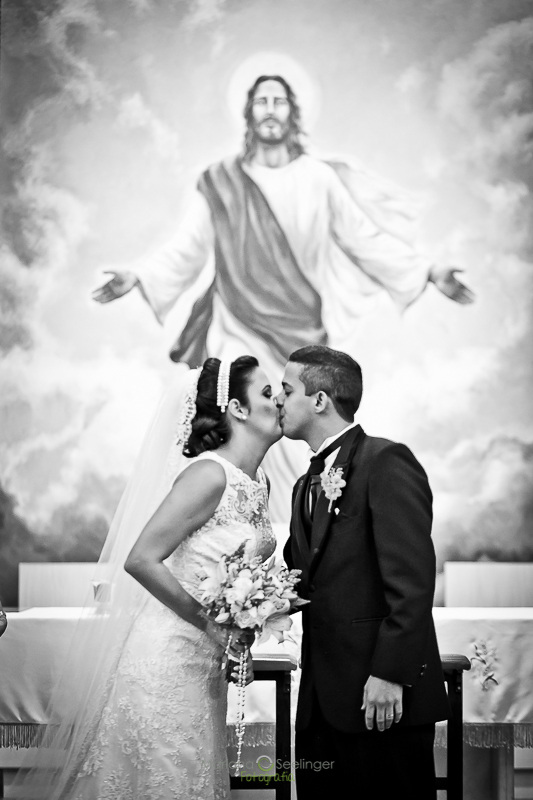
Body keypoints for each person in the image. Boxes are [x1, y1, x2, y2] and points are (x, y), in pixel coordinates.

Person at [92, 75, 474, 521]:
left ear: (293, 112)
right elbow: (187, 247)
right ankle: (229, 529)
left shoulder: (318, 179)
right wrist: (139, 276)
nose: (270, 109)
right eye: (261, 102)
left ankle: (295, 536)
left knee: (295, 435)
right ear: (249, 113)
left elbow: (363, 238)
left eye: (278, 101)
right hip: (235, 325)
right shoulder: (220, 181)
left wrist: (426, 271)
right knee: (241, 426)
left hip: (300, 334)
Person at [12, 356, 281, 800]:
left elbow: (237, 579)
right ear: (237, 408)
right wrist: (212, 624)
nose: (279, 403)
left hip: (204, 666)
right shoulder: (208, 474)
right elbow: (140, 559)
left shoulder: (259, 481)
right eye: (268, 394)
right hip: (167, 660)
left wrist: (239, 632)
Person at [277, 345, 450, 799]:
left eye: (287, 389)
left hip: (380, 696)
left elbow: (412, 584)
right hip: (319, 701)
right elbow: (302, 574)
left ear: (319, 400)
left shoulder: (385, 461)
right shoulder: (303, 483)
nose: (278, 399)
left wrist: (390, 674)